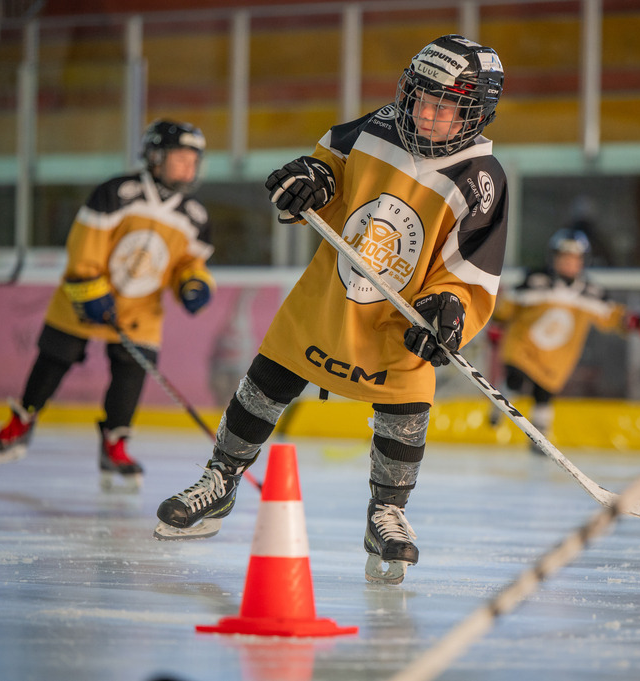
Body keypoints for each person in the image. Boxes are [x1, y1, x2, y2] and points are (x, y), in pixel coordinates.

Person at [153, 35, 507, 585]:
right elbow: (328, 169)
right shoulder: (378, 125)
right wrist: (309, 181)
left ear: (476, 115)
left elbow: (471, 268)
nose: (426, 113)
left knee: (405, 410)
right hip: (329, 298)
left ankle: (387, 513)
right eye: (420, 97)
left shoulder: (481, 179)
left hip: (398, 319)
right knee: (266, 382)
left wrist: (448, 309)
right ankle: (220, 480)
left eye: (444, 106)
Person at [0, 120, 215, 491]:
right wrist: (89, 289)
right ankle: (21, 423)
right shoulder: (116, 192)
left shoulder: (195, 217)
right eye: (180, 157)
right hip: (86, 296)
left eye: (194, 159)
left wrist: (194, 283)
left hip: (139, 311)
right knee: (55, 356)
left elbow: (189, 263)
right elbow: (84, 248)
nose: (189, 166)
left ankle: (115, 444)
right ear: (155, 157)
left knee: (130, 374)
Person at [488, 228, 640, 453]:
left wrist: (632, 321)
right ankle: (501, 404)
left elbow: (611, 314)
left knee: (544, 393)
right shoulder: (536, 280)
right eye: (563, 258)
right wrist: (497, 321)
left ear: (583, 262)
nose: (568, 263)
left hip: (556, 357)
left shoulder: (590, 292)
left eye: (574, 259)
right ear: (553, 258)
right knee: (516, 377)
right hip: (522, 346)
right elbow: (511, 304)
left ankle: (540, 436)